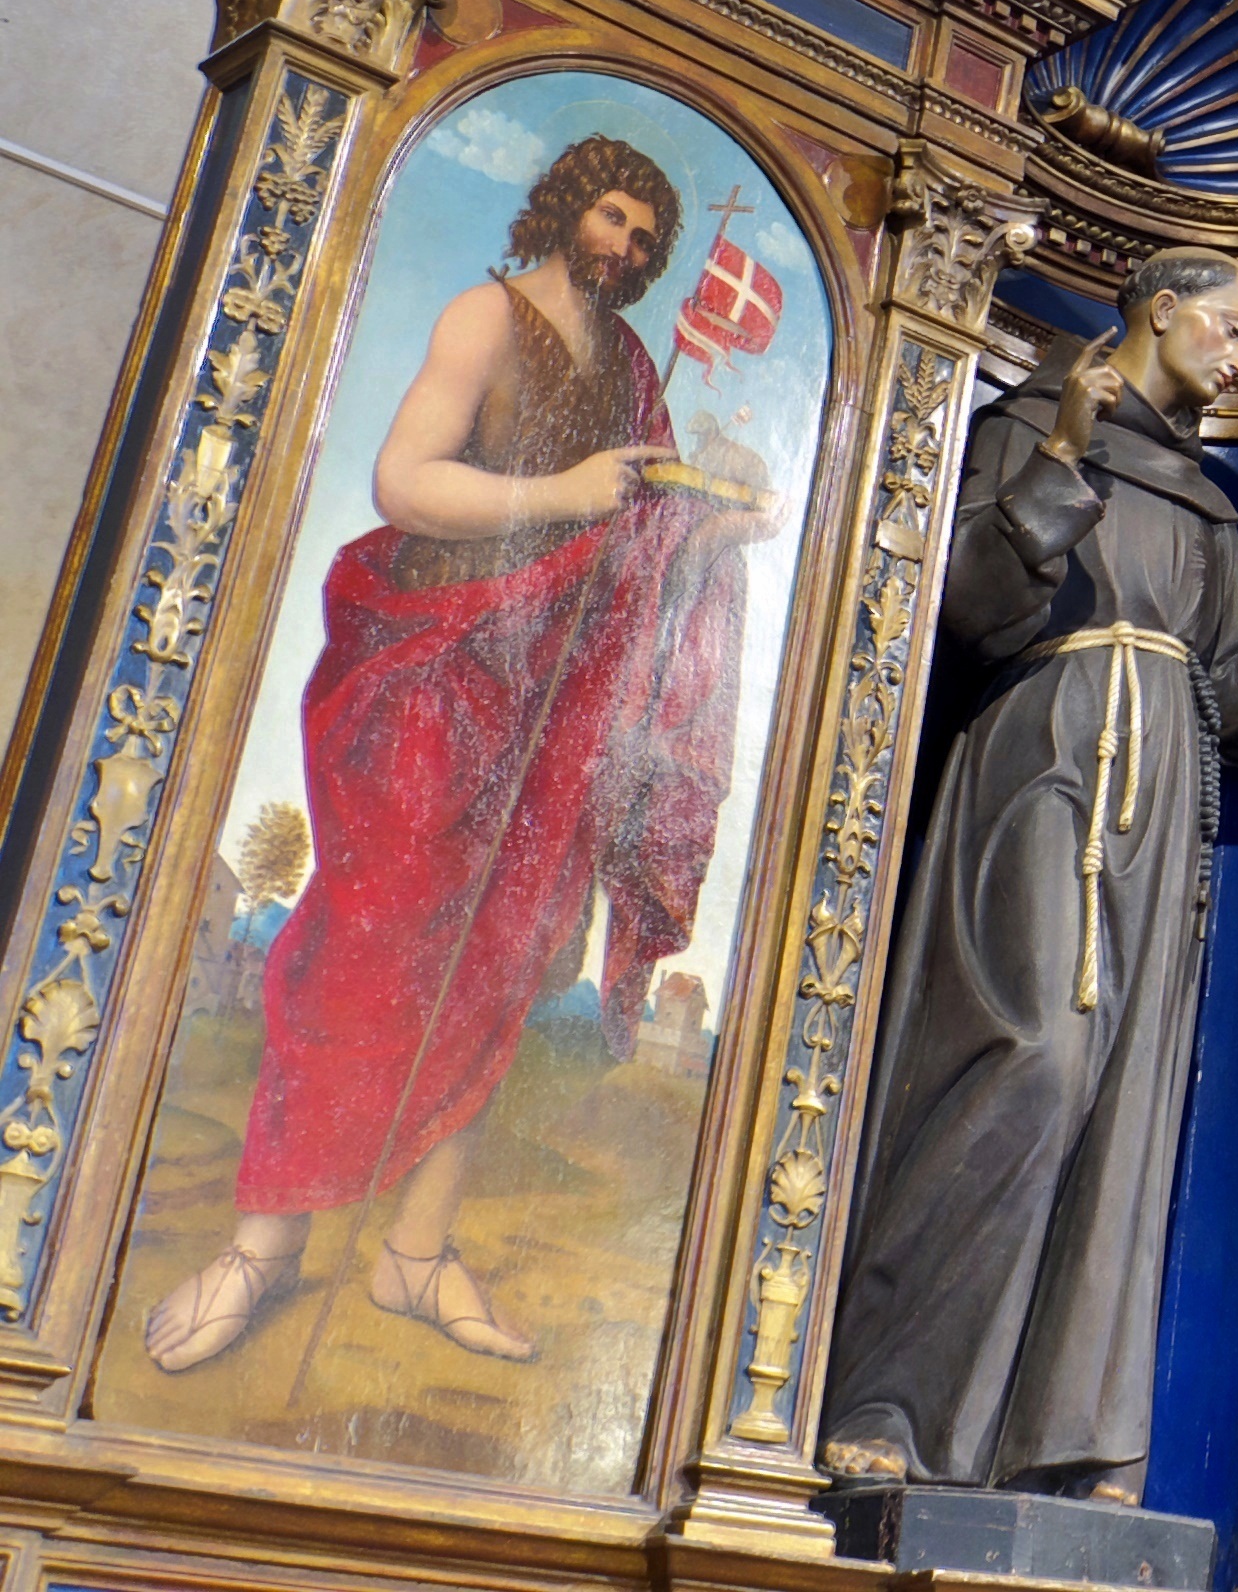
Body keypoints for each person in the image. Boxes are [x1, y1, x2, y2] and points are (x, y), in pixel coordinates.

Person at [140, 137, 770, 1373]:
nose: (626, 248)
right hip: (436, 672)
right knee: (361, 946)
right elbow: (405, 483)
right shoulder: (487, 316)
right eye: (612, 217)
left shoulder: (635, 362)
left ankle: (415, 1253)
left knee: (504, 956)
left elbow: (625, 526)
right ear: (564, 204)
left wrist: (706, 525)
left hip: (550, 696)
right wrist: (573, 495)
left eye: (646, 238)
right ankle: (261, 1247)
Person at [819, 247, 1238, 1501]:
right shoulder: (1028, 423)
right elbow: (963, 606)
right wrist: (1064, 457)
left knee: (1121, 1099)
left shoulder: (1208, 505)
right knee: (1027, 1056)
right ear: (1161, 306)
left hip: (1162, 806)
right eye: (1233, 325)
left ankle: (1060, 1444)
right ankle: (891, 1404)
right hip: (1041, 761)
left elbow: (1231, 691)